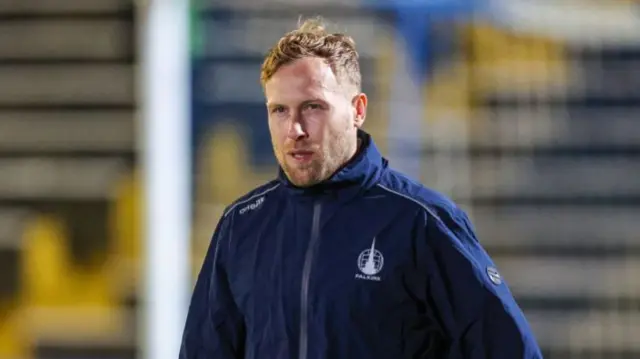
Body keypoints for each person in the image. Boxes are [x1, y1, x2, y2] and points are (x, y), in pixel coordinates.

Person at [180, 17, 543, 359]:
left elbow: (510, 349)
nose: (295, 129)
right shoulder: (241, 225)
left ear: (358, 109)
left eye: (313, 107)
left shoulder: (420, 221)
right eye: (279, 111)